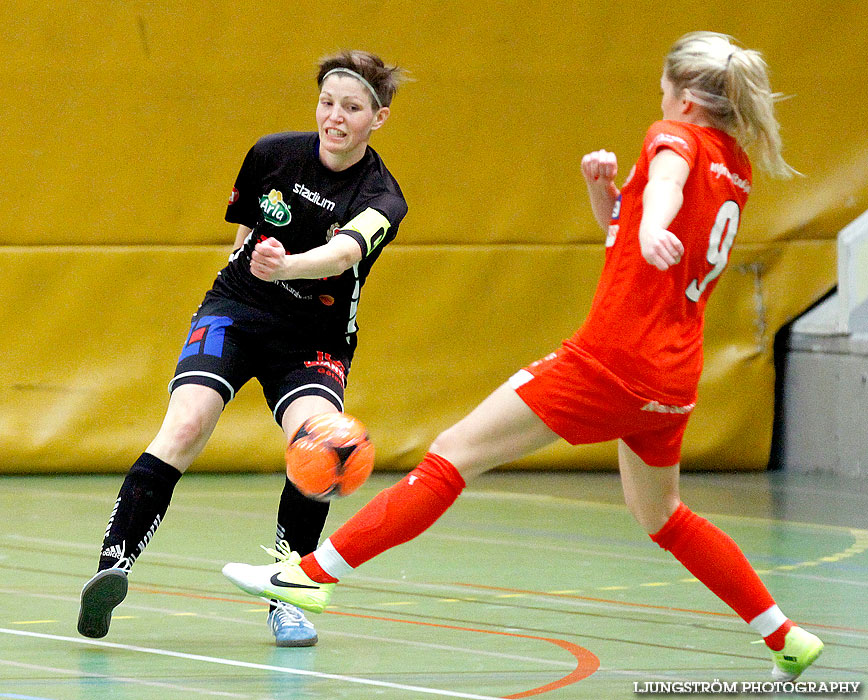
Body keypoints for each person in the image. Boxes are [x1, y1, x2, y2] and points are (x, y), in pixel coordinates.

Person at [222, 32, 823, 679]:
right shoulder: (736, 168)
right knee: (664, 516)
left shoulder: (675, 138)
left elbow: (666, 194)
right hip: (673, 377)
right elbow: (631, 237)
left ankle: (310, 578)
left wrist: (653, 223)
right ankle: (785, 636)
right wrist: (611, 199)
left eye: (662, 92)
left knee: (453, 454)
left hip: (611, 361)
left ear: (682, 96)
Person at [77, 49, 408, 647]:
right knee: (186, 424)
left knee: (322, 448)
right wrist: (254, 270)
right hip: (236, 309)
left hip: (314, 335)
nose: (335, 117)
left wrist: (289, 267)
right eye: (327, 102)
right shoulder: (271, 154)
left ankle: (288, 593)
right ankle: (112, 565)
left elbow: (344, 254)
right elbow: (245, 232)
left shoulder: (382, 195)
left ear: (378, 118)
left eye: (352, 108)